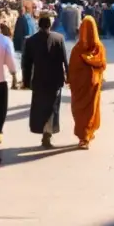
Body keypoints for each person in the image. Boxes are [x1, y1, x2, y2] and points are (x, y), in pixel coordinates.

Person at [22, 14, 69, 149]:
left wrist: (26, 82)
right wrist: (68, 76)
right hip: (55, 81)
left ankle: (44, 132)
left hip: (39, 81)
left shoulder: (31, 41)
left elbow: (26, 64)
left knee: (41, 108)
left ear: (38, 25)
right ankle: (47, 134)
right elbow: (64, 60)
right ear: (50, 25)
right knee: (52, 108)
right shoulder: (59, 38)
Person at [69, 16, 107, 150]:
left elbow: (71, 70)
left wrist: (71, 82)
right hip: (93, 85)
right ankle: (87, 134)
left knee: (79, 112)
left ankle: (84, 137)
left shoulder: (76, 50)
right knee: (90, 111)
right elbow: (102, 65)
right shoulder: (99, 48)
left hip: (79, 88)